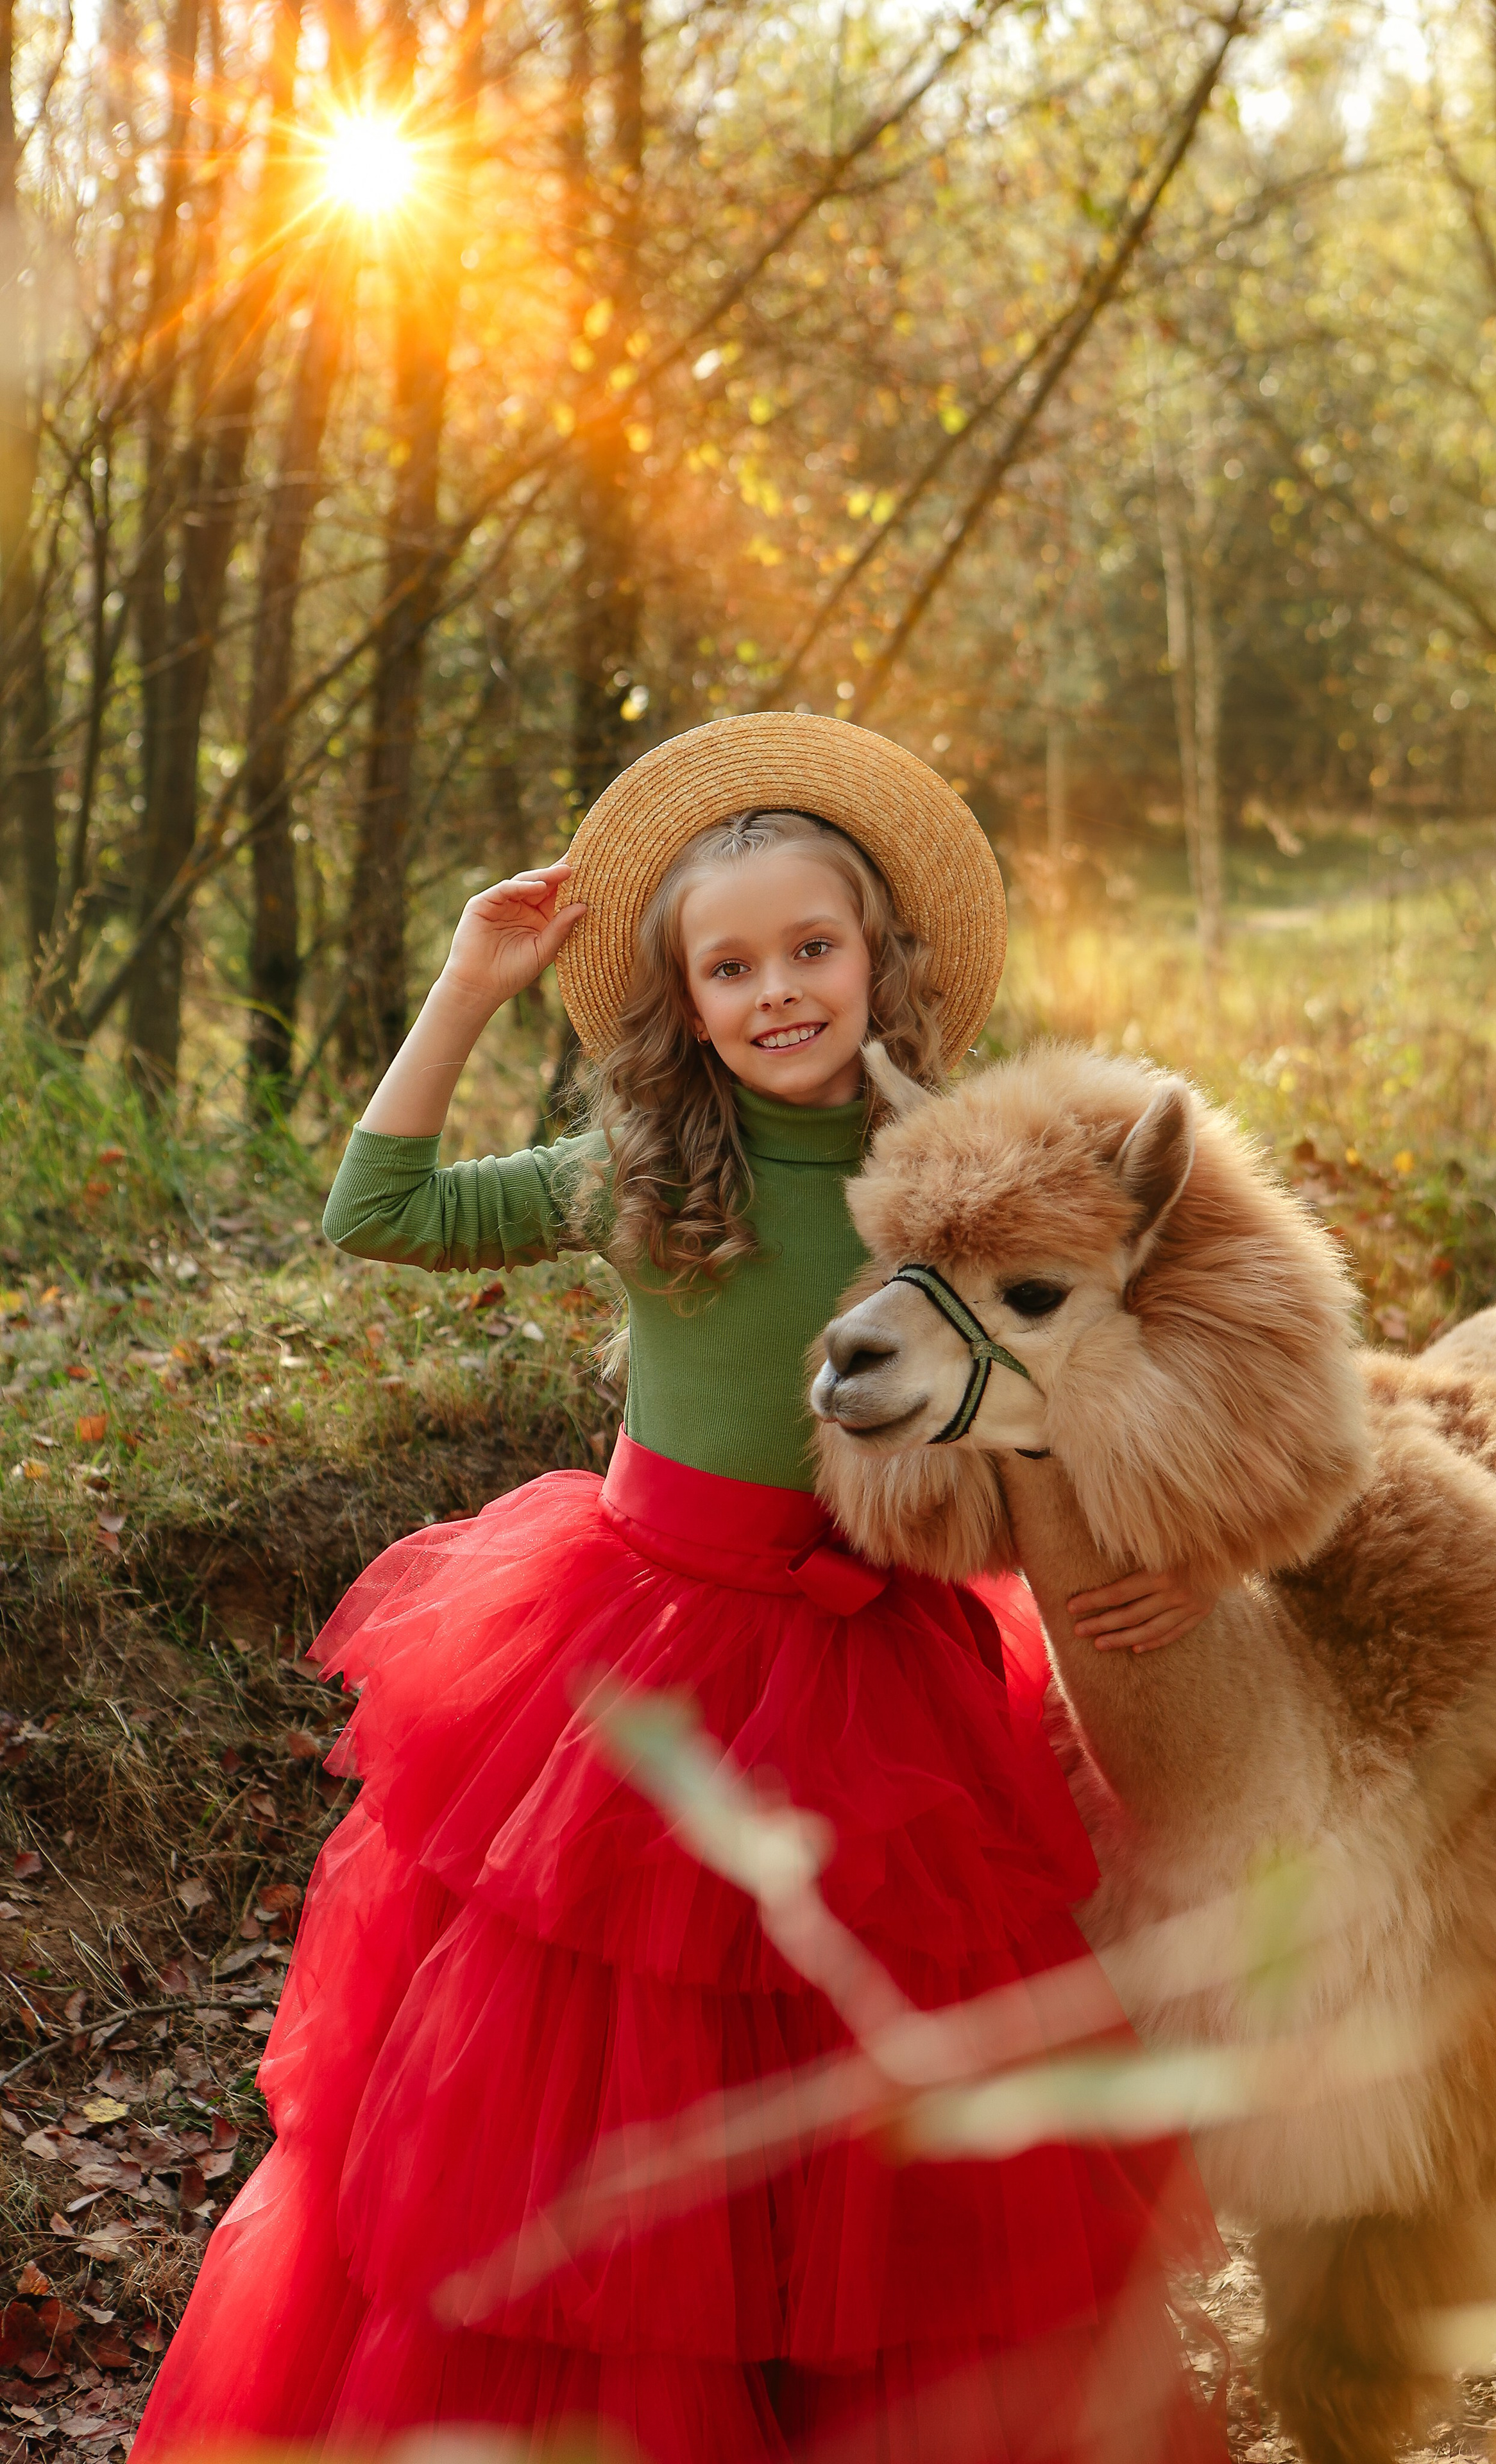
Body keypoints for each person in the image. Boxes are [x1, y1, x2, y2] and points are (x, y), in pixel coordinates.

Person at [132, 714, 1224, 2464]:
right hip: (646, 1661)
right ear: (688, 1000)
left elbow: (1104, 1375)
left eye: (814, 948)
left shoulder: (956, 1170)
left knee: (884, 2139)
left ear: (881, 958)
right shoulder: (640, 1172)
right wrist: (476, 980)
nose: (780, 990)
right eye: (733, 967)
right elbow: (374, 1205)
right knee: (612, 2098)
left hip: (889, 1680)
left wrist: (1180, 1549)